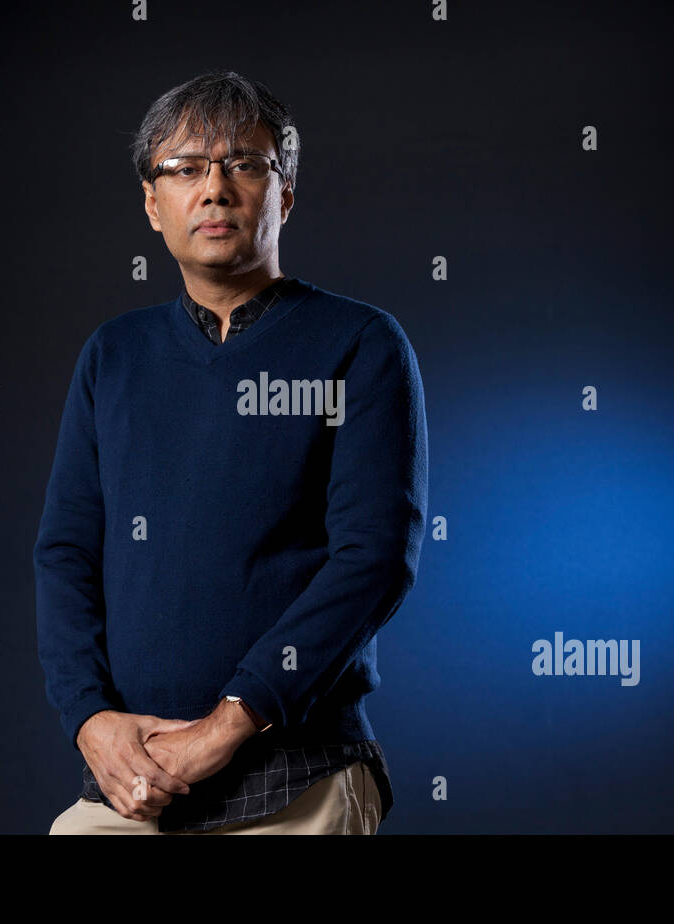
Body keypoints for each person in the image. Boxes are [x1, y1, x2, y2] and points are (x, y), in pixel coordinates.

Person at [35, 70, 428, 834]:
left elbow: (373, 558)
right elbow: (65, 554)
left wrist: (224, 729)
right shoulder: (113, 355)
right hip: (135, 776)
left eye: (245, 164)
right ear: (154, 204)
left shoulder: (359, 344)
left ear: (285, 194)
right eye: (185, 168)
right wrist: (90, 719)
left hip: (297, 771)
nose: (213, 189)